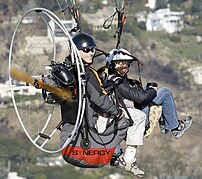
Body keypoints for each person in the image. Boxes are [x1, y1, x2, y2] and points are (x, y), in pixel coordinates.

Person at [104, 48, 192, 177]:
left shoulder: (109, 78)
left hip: (128, 114)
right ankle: (174, 127)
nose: (125, 66)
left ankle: (167, 123)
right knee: (165, 92)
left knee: (154, 92)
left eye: (127, 63)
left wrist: (138, 87)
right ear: (113, 65)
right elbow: (141, 98)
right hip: (134, 120)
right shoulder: (117, 81)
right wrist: (151, 90)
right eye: (121, 63)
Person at [60, 33, 130, 168]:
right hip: (89, 131)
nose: (91, 53)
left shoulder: (68, 71)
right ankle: (120, 155)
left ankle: (115, 152)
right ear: (76, 51)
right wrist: (117, 112)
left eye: (93, 49)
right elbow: (100, 99)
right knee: (129, 119)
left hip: (69, 137)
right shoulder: (87, 73)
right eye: (86, 50)